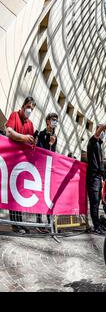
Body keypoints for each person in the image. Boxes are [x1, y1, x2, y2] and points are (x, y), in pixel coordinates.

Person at [5, 96, 37, 234]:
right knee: (13, 192)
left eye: (32, 108)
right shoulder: (14, 115)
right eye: (28, 107)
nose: (30, 110)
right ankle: (14, 223)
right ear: (23, 106)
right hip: (11, 161)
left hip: (24, 163)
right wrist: (23, 138)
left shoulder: (30, 124)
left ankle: (19, 221)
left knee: (21, 193)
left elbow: (31, 142)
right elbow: (9, 131)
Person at [35, 112, 59, 232]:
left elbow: (53, 154)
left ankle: (51, 223)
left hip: (49, 171)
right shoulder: (42, 134)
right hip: (40, 169)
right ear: (48, 121)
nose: (55, 122)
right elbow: (39, 150)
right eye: (53, 119)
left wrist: (52, 145)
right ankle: (39, 223)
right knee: (40, 195)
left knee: (49, 197)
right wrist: (48, 144)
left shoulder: (55, 136)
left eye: (56, 120)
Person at [87, 124, 106, 234]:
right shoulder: (92, 142)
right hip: (92, 177)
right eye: (102, 131)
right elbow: (95, 135)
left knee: (97, 202)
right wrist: (102, 127)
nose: (104, 133)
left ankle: (98, 224)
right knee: (94, 202)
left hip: (98, 177)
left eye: (105, 132)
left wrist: (102, 180)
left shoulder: (100, 145)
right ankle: (96, 226)